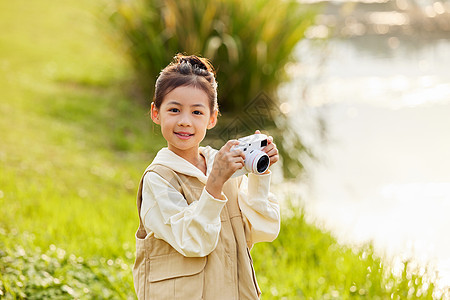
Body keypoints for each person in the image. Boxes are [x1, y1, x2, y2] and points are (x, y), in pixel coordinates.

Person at [133, 54, 280, 300]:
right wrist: (214, 185)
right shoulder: (158, 178)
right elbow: (192, 241)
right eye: (174, 109)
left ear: (212, 117)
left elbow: (262, 228)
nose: (184, 121)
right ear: (156, 113)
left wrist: (259, 173)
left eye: (197, 112)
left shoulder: (223, 164)